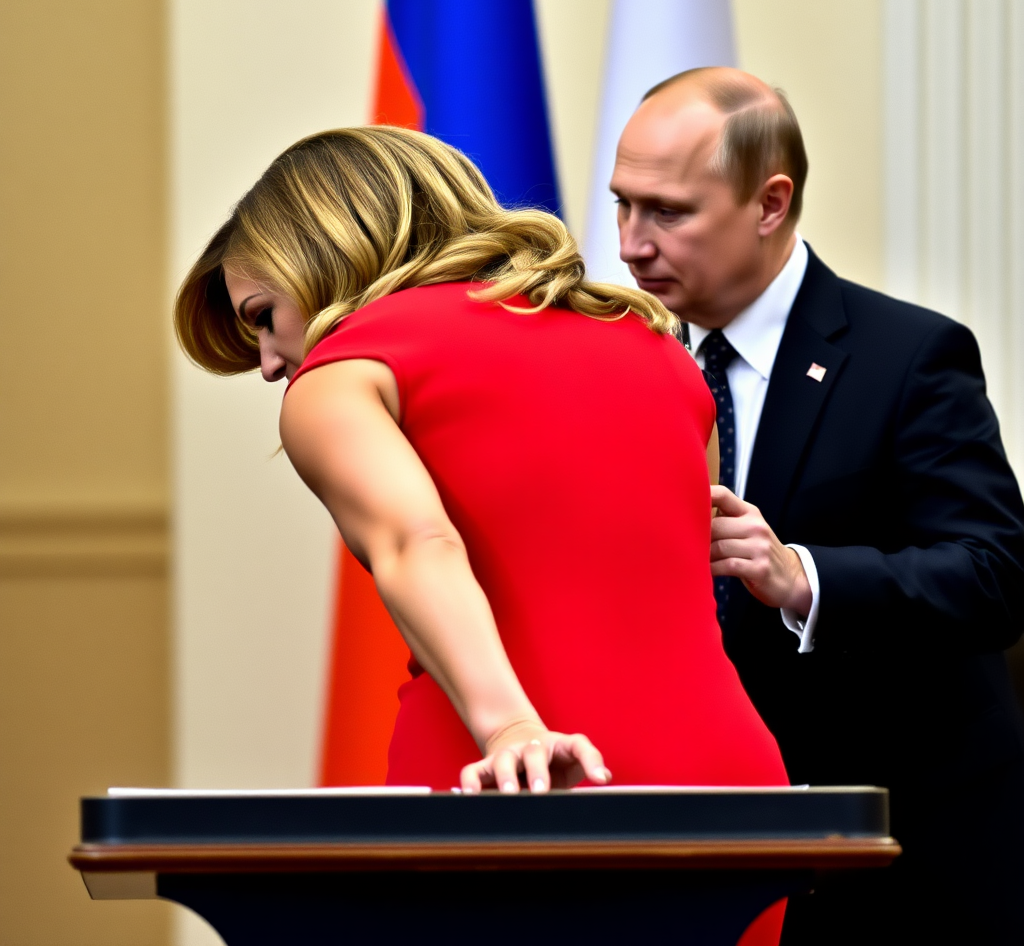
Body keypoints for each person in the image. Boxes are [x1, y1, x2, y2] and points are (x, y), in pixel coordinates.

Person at [173, 126, 788, 815]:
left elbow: (416, 542)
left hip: (504, 775)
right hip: (730, 778)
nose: (267, 363)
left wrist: (508, 727)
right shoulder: (657, 346)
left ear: (321, 256)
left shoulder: (340, 377)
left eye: (263, 317)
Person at [610, 66, 1024, 945]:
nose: (630, 246)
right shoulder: (629, 365)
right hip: (695, 854)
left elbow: (995, 574)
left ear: (770, 204)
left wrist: (805, 580)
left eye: (669, 212)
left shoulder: (909, 356)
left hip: (892, 862)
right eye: (623, 206)